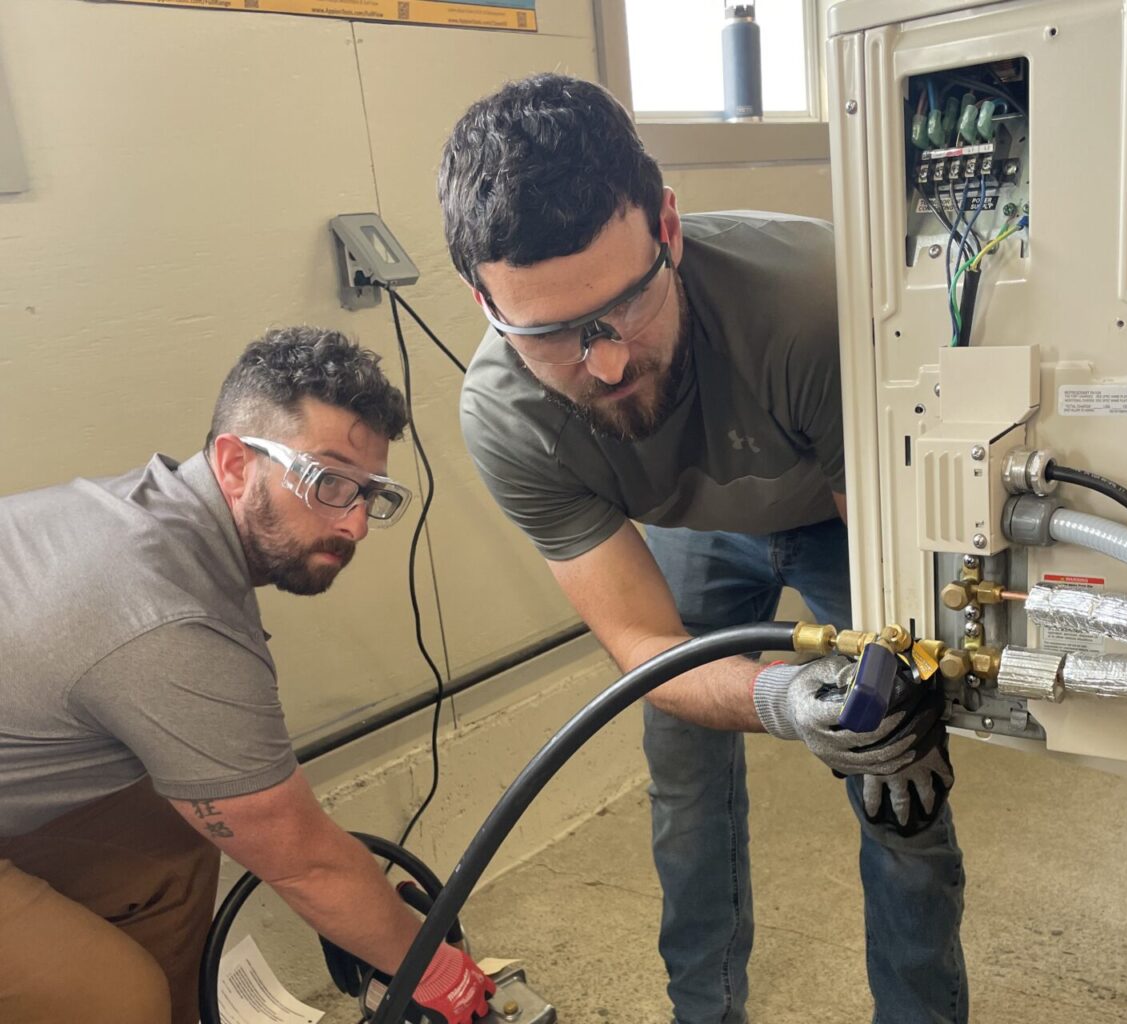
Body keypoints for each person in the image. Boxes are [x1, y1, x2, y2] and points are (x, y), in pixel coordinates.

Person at [442, 74, 967, 1024]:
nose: (602, 362)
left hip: (840, 507)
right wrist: (777, 695)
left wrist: (882, 698)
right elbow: (644, 651)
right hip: (699, 526)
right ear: (482, 299)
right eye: (553, 334)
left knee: (899, 769)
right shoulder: (506, 420)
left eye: (627, 306)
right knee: (684, 778)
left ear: (669, 231)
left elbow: (909, 600)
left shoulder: (822, 309)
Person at [0, 327, 494, 1024]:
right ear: (234, 464)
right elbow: (305, 861)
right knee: (113, 999)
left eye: (370, 494)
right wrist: (435, 970)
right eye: (327, 483)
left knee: (170, 848)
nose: (354, 524)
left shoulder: (163, 521)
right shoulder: (168, 618)